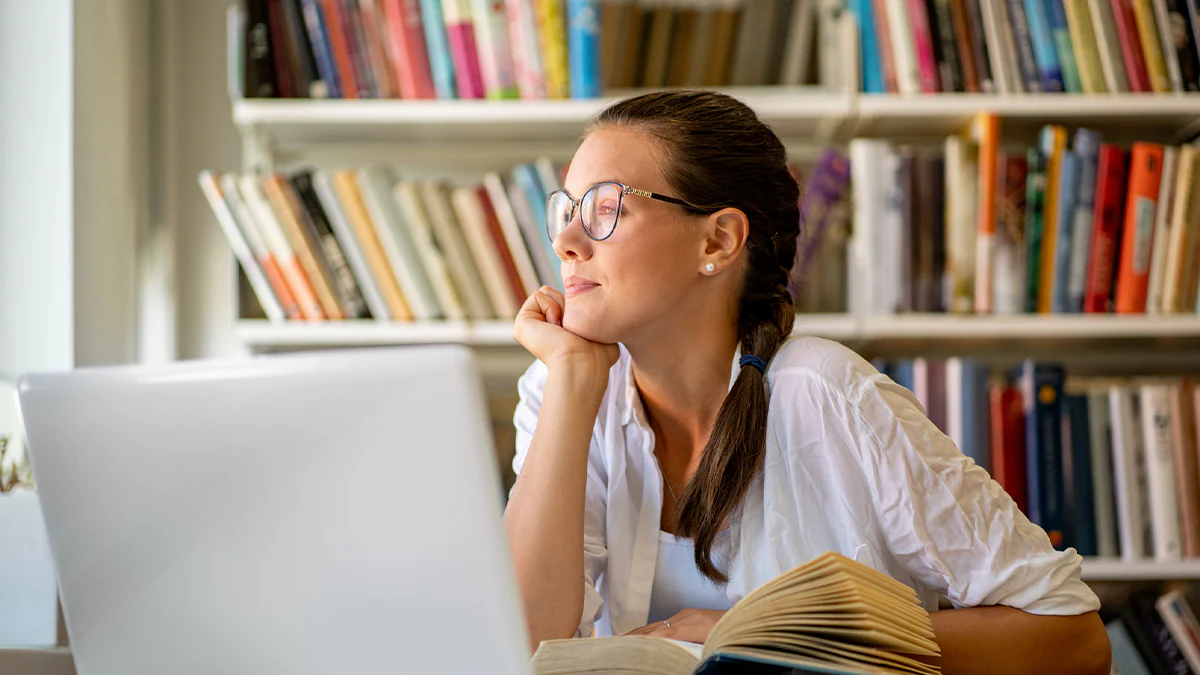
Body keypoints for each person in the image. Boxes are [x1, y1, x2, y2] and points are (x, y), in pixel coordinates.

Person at [503, 90, 1109, 675]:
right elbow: (518, 643)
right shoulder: (563, 389)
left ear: (717, 239)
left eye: (606, 209)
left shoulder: (826, 392)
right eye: (568, 210)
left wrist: (771, 640)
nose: (565, 241)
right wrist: (573, 382)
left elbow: (1070, 639)